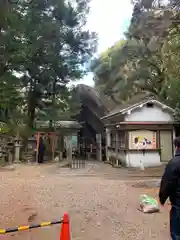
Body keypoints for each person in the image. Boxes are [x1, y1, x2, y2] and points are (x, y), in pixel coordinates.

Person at [159, 136, 180, 240]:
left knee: (177, 233)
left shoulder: (174, 163)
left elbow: (167, 183)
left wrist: (162, 198)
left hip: (178, 204)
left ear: (177, 147)